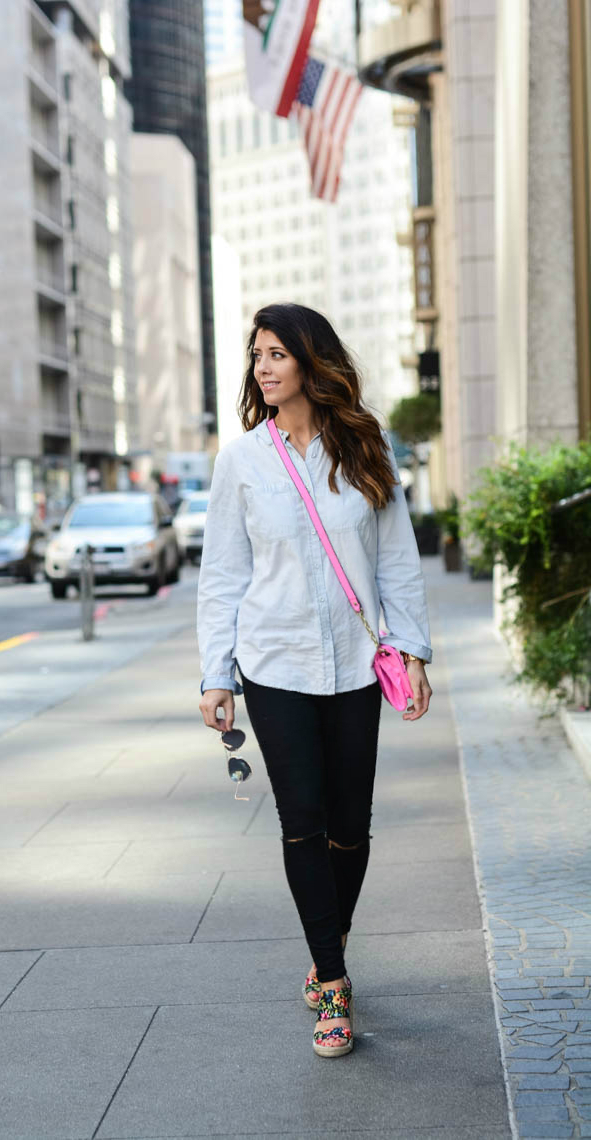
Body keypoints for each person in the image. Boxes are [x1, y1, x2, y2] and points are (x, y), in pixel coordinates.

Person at [197, 303, 432, 1058]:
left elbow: (396, 558)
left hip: (357, 665)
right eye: (256, 354)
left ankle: (329, 931)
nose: (262, 367)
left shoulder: (363, 446)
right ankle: (332, 981)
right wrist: (216, 675)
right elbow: (223, 575)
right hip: (274, 664)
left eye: (275, 354)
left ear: (310, 361)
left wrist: (414, 652)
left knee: (350, 828)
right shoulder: (241, 460)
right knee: (301, 819)